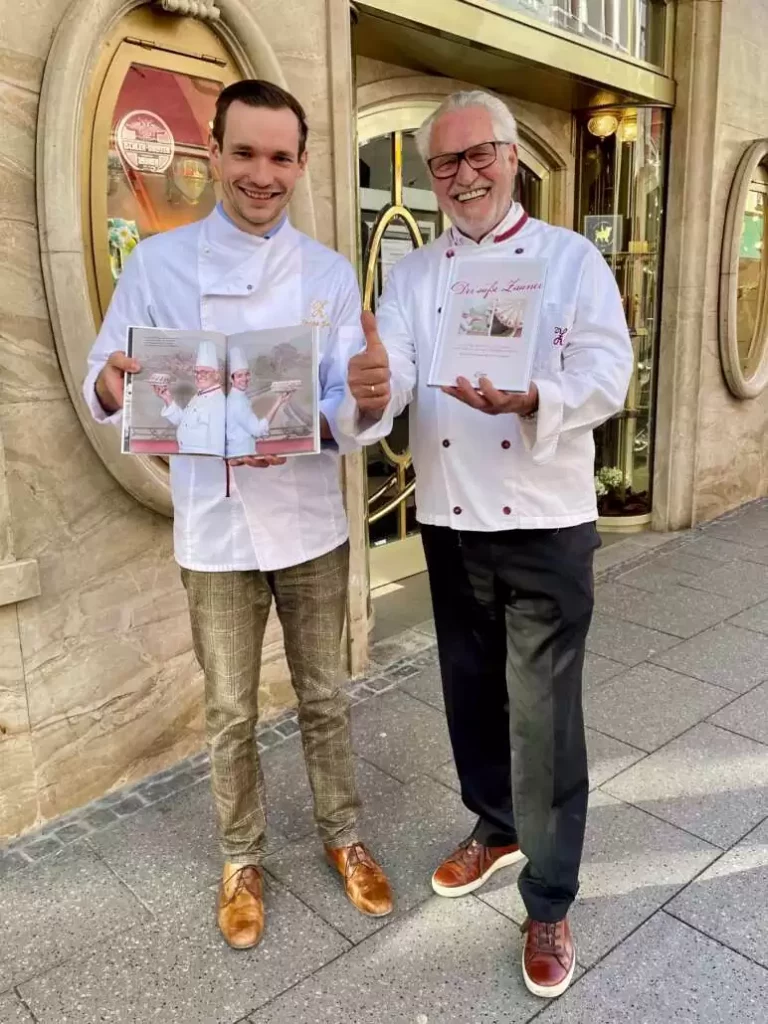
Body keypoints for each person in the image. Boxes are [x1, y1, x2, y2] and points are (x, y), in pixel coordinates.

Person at [84, 78, 393, 951]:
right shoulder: (156, 266)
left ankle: (344, 835)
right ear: (212, 154)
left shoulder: (329, 274)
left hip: (307, 526)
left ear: (301, 163)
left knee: (325, 695)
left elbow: (348, 402)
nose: (263, 175)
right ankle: (239, 856)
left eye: (281, 157)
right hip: (213, 528)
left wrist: (364, 400)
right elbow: (107, 372)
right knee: (228, 708)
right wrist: (113, 383)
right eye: (246, 154)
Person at [341, 90, 633, 998]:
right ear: (433, 176)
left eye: (480, 156)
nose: (464, 174)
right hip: (451, 520)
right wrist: (370, 389)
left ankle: (548, 898)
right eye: (446, 162)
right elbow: (395, 386)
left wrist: (536, 398)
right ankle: (496, 826)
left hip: (545, 519)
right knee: (468, 691)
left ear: (512, 159)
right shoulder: (417, 274)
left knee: (543, 716)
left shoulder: (570, 259)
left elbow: (607, 369)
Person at [154, 340, 227, 454]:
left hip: (204, 461)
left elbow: (217, 444)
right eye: (197, 372)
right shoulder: (199, 395)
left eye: (205, 372)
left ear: (216, 375)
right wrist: (168, 399)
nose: (199, 376)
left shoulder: (218, 401)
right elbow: (184, 422)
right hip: (187, 456)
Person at [225, 345, 293, 457]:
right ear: (231, 379)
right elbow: (258, 430)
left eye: (247, 374)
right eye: (239, 376)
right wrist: (278, 402)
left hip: (241, 452)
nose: (244, 379)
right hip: (242, 455)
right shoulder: (238, 402)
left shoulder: (237, 397)